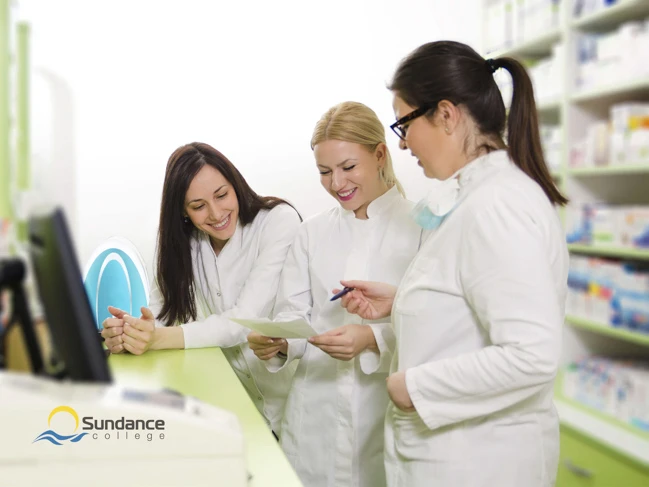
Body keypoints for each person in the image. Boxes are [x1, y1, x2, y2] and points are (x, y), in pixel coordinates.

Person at [337, 41, 569, 487]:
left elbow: (531, 355)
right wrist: (404, 299)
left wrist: (411, 388)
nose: (402, 144)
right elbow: (468, 301)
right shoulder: (476, 196)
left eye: (404, 123)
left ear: (446, 114)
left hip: (480, 461)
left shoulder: (497, 204)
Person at [248, 101, 422, 487]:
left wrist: (373, 339)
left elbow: (438, 325)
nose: (336, 183)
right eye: (324, 172)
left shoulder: (422, 227)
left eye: (348, 167)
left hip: (382, 415)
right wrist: (279, 342)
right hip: (315, 419)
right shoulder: (311, 233)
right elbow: (294, 314)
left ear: (380, 154)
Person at [101, 142, 301, 434]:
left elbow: (240, 322)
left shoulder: (277, 221)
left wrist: (155, 338)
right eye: (198, 206)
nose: (216, 213)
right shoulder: (183, 244)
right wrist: (129, 333)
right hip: (233, 404)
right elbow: (161, 316)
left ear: (235, 185)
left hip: (289, 404)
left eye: (222, 195)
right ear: (182, 211)